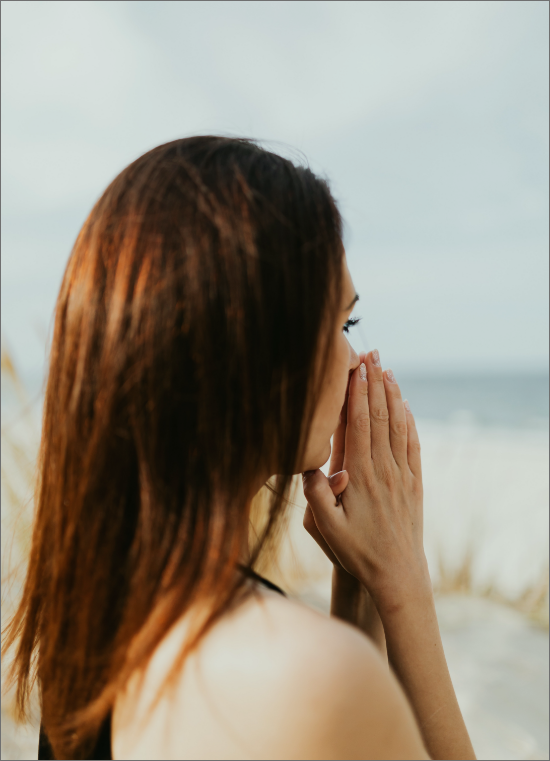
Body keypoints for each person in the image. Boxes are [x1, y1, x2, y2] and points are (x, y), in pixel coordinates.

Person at [2, 136, 476, 760]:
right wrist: (405, 587)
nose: (353, 359)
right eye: (338, 325)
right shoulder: (306, 680)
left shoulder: (93, 625)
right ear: (247, 350)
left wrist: (359, 585)